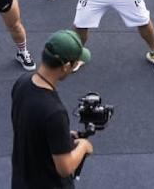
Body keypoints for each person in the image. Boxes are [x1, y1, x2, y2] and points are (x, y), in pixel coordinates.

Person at [10, 30, 93, 188]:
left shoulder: (22, 83)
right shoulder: (55, 112)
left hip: (21, 180)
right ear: (66, 66)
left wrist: (61, 138)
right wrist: (83, 146)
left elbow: (30, 126)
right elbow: (65, 167)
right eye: (76, 62)